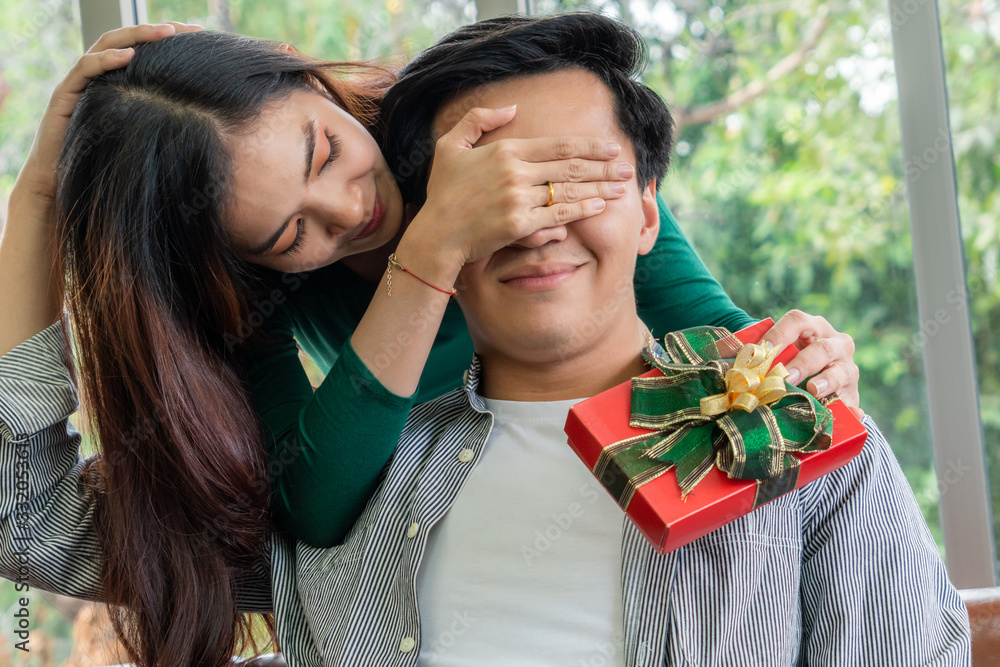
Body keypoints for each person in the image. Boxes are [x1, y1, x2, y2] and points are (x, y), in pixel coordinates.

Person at [0, 18, 862, 667]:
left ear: (318, 87)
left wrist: (800, 363)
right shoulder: (285, 335)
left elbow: (720, 347)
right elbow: (311, 501)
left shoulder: (507, 149)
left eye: (324, 150)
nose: (348, 209)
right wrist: (37, 200)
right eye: (288, 231)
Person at [280, 14, 968, 664]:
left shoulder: (801, 445)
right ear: (436, 235)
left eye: (574, 179)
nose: (539, 225)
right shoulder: (356, 494)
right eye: (493, 195)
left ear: (647, 213)